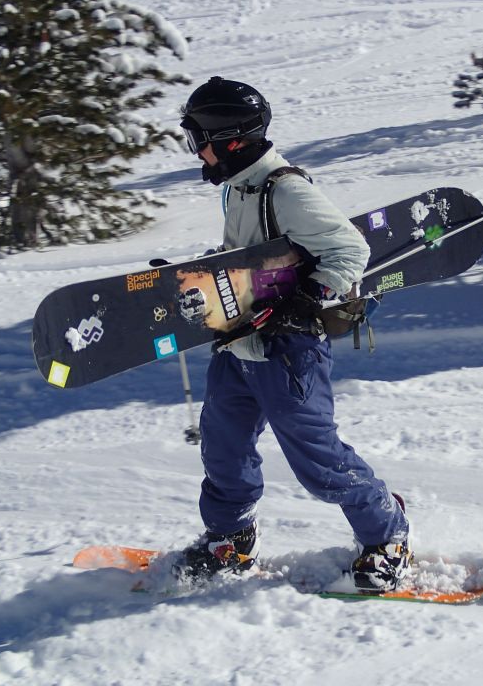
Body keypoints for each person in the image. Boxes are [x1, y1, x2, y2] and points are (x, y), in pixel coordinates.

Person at [175, 76, 411, 592]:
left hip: (288, 350)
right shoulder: (241, 188)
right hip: (239, 344)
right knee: (224, 451)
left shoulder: (285, 188)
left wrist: (304, 299)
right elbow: (257, 258)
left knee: (319, 463)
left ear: (230, 138)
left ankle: (387, 534)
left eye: (199, 140)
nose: (197, 153)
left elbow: (350, 252)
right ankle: (230, 541)